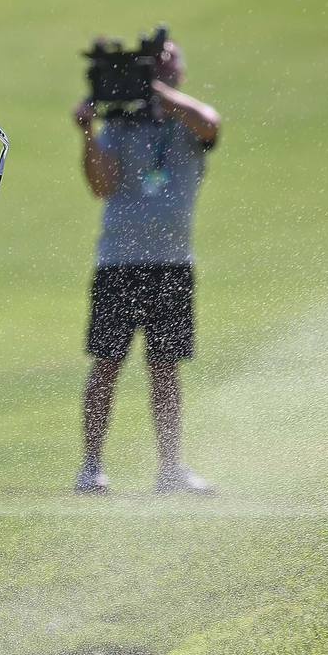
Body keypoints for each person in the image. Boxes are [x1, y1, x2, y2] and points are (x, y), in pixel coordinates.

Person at [71, 35, 220, 495]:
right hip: (119, 259)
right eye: (152, 65)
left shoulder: (185, 119)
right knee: (107, 363)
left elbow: (210, 125)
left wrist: (158, 91)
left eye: (168, 63)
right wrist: (88, 132)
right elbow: (100, 185)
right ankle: (91, 467)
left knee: (165, 365)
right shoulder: (119, 123)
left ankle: (171, 469)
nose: (161, 69)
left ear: (180, 71)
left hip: (172, 261)